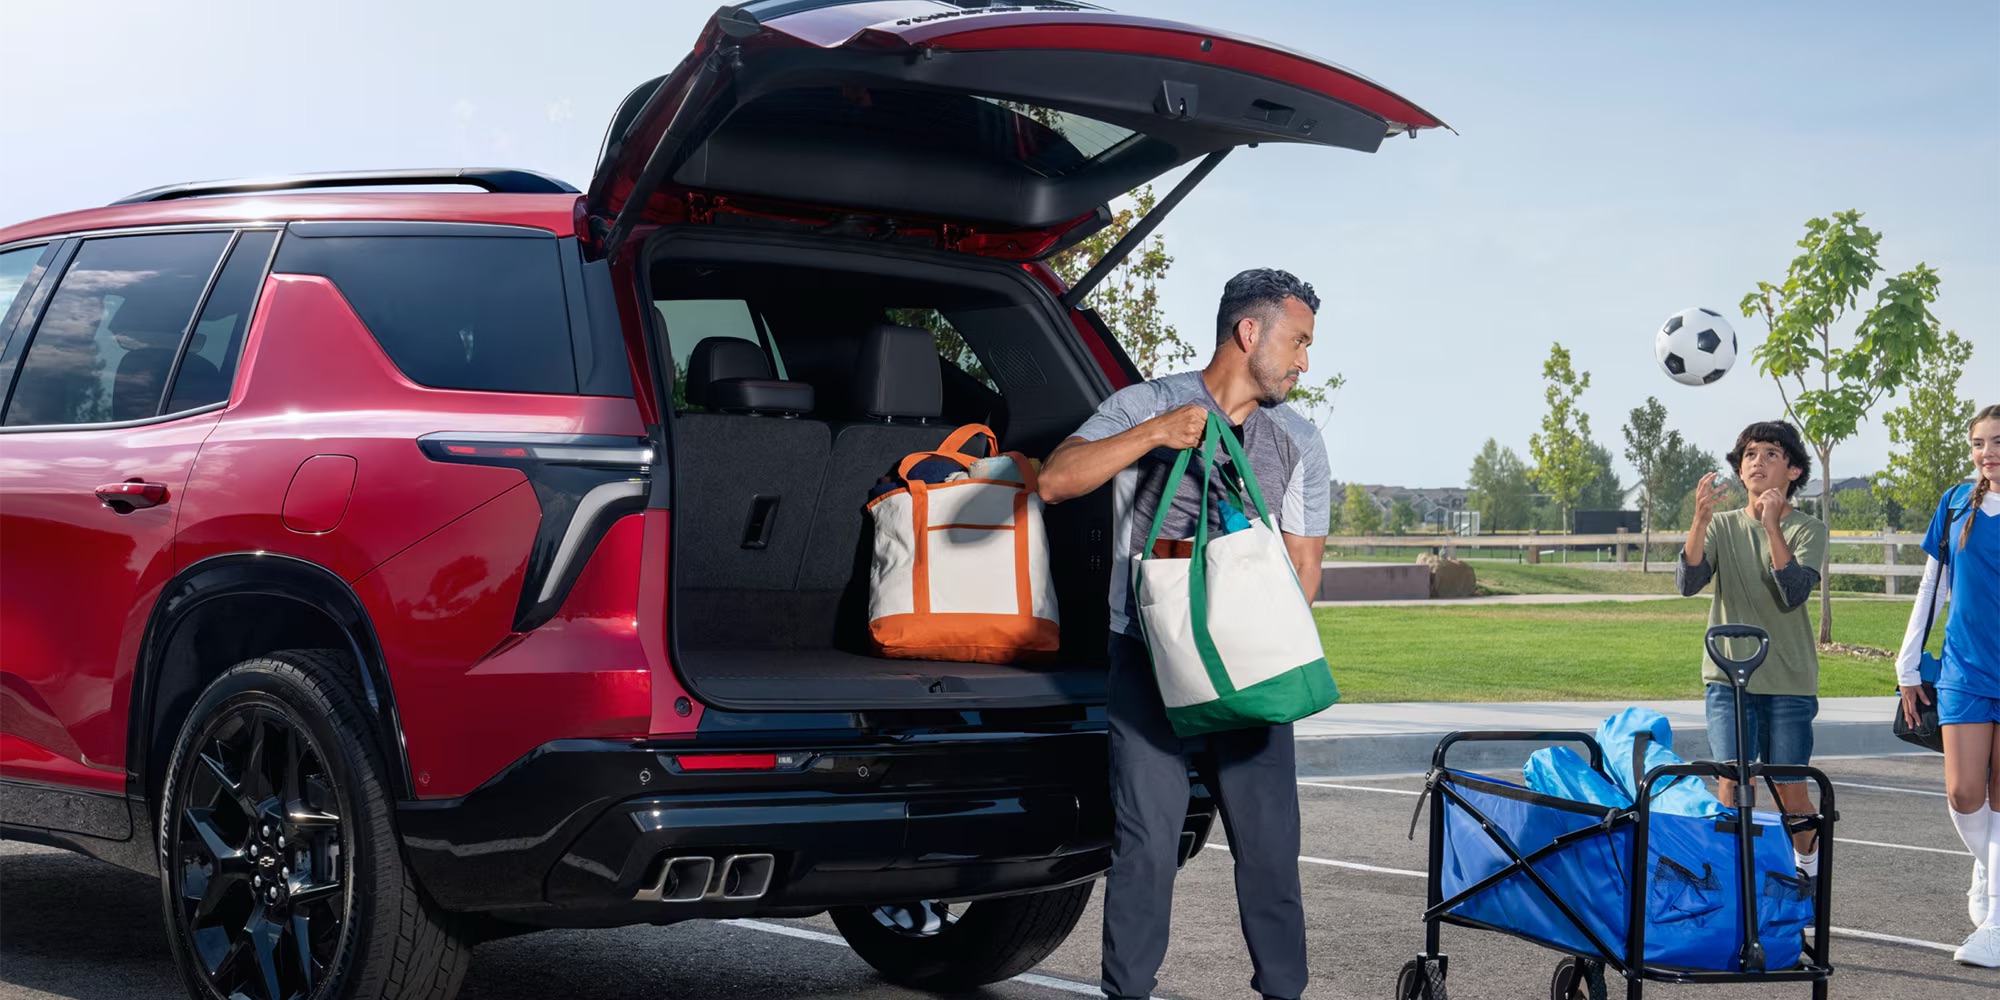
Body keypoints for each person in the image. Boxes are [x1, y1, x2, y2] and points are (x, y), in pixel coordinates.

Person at [1038, 268, 1330, 1000]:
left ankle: (1283, 993)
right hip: (1148, 659)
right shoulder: (1150, 403)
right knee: (1145, 845)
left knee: (1270, 853)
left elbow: (1304, 566)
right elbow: (1055, 481)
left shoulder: (1299, 438)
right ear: (1249, 332)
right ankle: (1128, 992)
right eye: (1297, 342)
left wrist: (1254, 633)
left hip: (1252, 665)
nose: (1303, 361)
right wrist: (1156, 436)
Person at [1676, 420, 1829, 880]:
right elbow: (1688, 583)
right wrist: (1700, 522)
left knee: (1790, 789)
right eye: (1749, 455)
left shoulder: (1809, 528)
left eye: (1771, 454)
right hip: (1727, 677)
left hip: (1788, 680)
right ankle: (1730, 879)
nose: (1757, 461)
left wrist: (1770, 526)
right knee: (1732, 778)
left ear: (1795, 472)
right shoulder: (1720, 526)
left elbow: (1793, 591)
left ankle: (1806, 870)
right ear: (1740, 472)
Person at [1895, 403, 2000, 966]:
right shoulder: (1956, 501)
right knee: (1964, 791)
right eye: (1980, 444)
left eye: (1999, 443)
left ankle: (1998, 925)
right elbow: (1931, 585)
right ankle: (1988, 863)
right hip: (1963, 667)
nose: (1989, 454)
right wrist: (1907, 663)